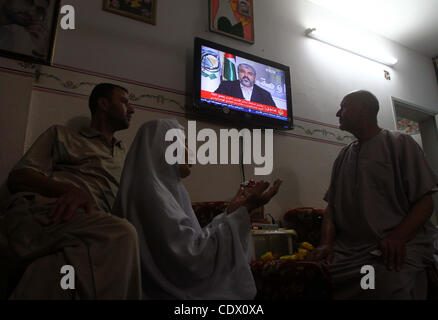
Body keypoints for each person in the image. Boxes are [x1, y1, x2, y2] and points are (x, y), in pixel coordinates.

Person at [112, 118, 282, 299]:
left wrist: (232, 212)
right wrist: (242, 211)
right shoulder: (150, 192)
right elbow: (191, 260)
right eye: (184, 144)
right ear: (163, 146)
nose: (191, 153)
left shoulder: (169, 189)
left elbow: (193, 243)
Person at [0, 83, 140, 299]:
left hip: (94, 224)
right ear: (103, 104)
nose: (131, 109)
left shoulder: (125, 156)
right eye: (124, 101)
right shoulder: (63, 135)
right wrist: (70, 190)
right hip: (52, 212)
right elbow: (19, 177)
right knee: (124, 233)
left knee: (58, 265)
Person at [308, 90, 438, 299]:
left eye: (344, 107)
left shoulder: (400, 143)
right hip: (349, 252)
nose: (337, 113)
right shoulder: (344, 155)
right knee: (315, 279)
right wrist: (326, 243)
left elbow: (425, 202)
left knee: (385, 283)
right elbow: (331, 208)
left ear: (363, 111)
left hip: (393, 247)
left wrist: (398, 237)